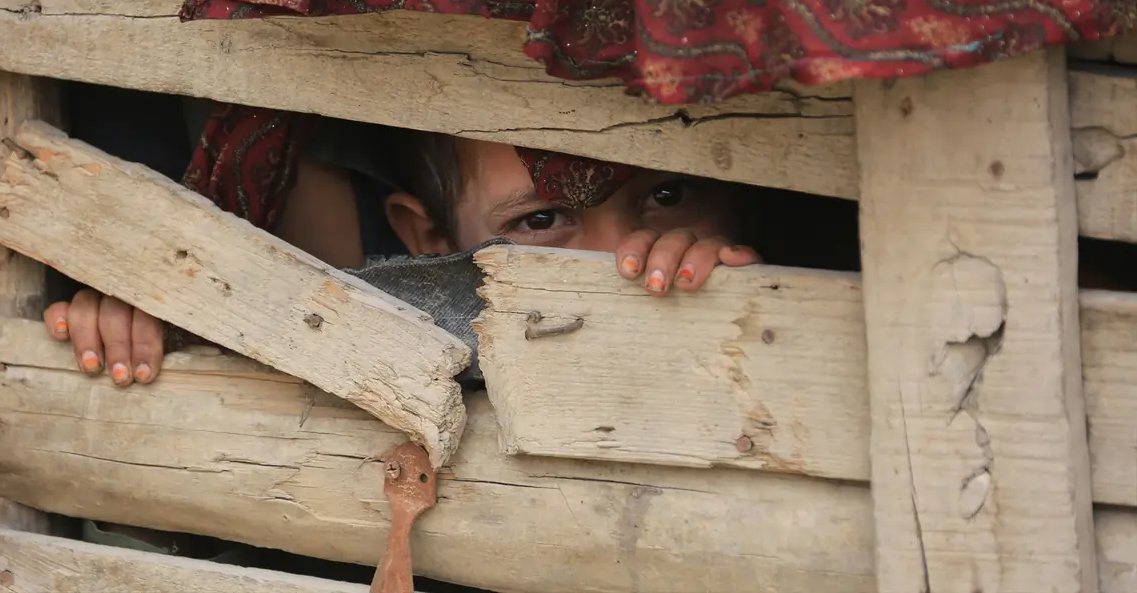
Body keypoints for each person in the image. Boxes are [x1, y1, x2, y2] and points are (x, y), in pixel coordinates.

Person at [42, 105, 760, 387]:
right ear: (429, 239)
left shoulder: (726, 265)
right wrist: (133, 327)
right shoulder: (319, 250)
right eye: (540, 221)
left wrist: (751, 318)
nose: (619, 255)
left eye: (666, 196)